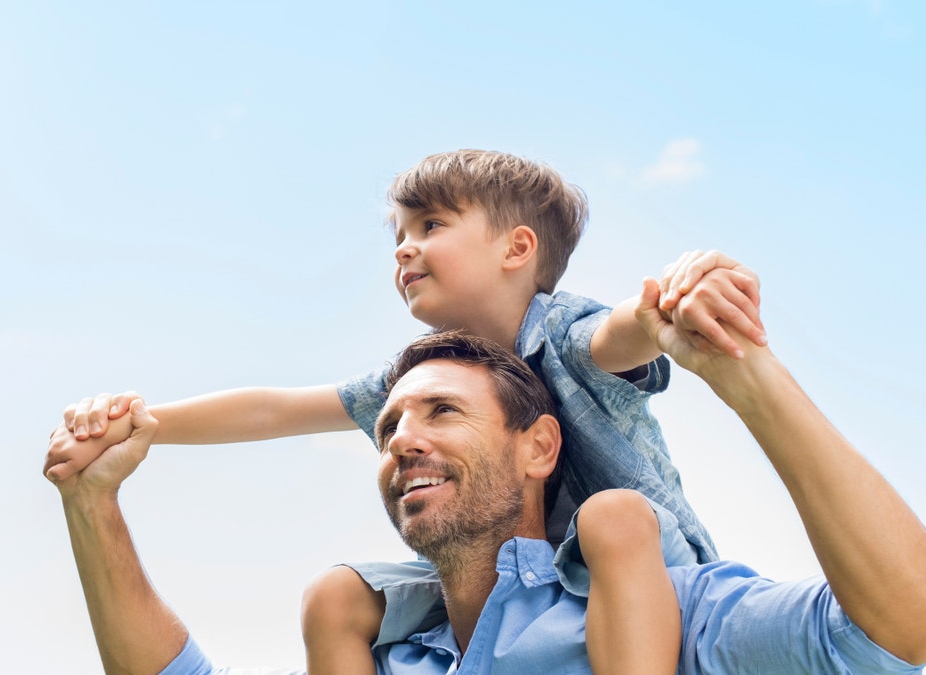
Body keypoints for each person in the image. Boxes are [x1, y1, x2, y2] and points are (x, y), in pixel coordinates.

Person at [42, 150, 766, 674]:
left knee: (612, 515)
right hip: (502, 579)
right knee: (338, 598)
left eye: (429, 225)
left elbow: (623, 334)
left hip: (628, 568)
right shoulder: (417, 379)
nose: (405, 248)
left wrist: (671, 300)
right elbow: (272, 409)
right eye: (399, 236)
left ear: (518, 247)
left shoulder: (567, 331)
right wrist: (142, 422)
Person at [45, 288, 926, 673]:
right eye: (388, 427)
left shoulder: (659, 618)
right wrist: (93, 502)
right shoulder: (384, 656)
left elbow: (897, 630)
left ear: (542, 446)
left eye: (442, 413)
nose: (401, 441)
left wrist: (749, 377)